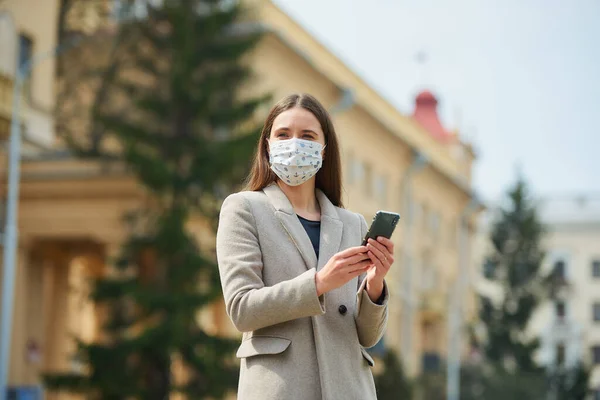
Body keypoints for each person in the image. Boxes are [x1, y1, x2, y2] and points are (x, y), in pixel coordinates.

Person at [216, 93, 394, 400]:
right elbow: (242, 309)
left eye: (307, 136)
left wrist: (375, 285)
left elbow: (368, 336)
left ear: (323, 150)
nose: (294, 144)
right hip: (281, 388)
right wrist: (320, 283)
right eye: (283, 134)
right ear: (267, 145)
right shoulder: (244, 209)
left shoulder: (353, 224)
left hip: (350, 388)